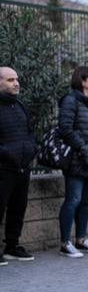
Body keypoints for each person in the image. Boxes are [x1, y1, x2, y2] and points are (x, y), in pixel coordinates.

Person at [57, 66, 88, 258]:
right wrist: (84, 148)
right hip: (77, 160)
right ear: (83, 81)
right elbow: (65, 129)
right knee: (73, 200)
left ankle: (81, 239)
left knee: (85, 202)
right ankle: (65, 243)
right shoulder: (70, 101)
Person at [0, 66, 35, 262]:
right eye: (10, 80)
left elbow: (30, 132)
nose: (16, 83)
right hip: (3, 169)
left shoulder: (19, 105)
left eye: (16, 79)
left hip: (23, 167)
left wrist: (31, 149)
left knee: (18, 208)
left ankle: (12, 246)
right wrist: (8, 154)